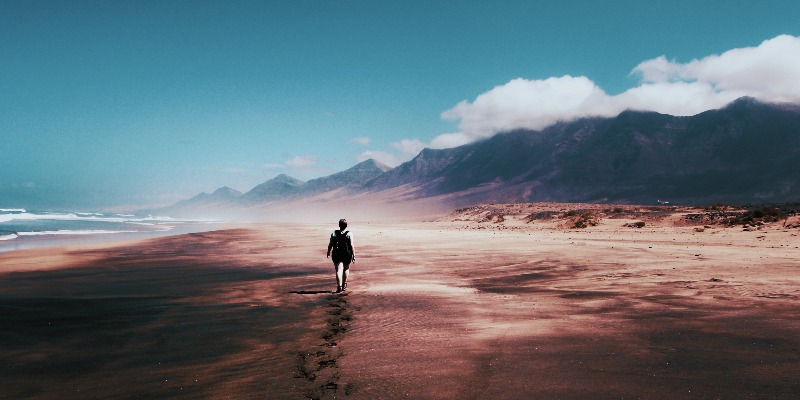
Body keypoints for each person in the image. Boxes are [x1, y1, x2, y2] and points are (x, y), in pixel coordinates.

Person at [327, 218, 355, 293]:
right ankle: (344, 285)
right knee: (346, 269)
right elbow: (351, 245)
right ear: (346, 226)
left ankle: (339, 286)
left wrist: (328, 252)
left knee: (338, 270)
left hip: (337, 253)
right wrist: (354, 255)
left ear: (339, 225)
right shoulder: (349, 233)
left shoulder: (334, 233)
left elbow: (330, 244)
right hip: (347, 253)